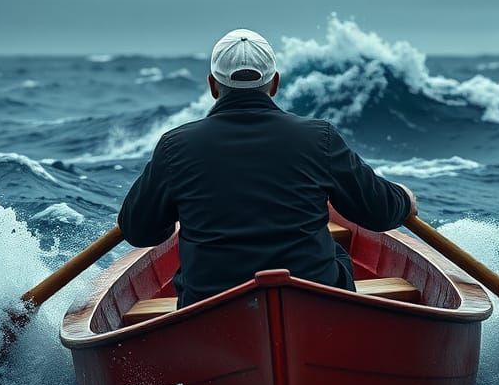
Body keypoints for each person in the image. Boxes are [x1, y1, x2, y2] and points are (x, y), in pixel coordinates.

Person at [117, 28, 416, 308]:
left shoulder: (175, 146)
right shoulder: (319, 137)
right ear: (275, 83)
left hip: (210, 304)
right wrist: (404, 200)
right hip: (311, 297)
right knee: (337, 255)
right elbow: (378, 213)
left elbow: (139, 231)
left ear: (212, 85)